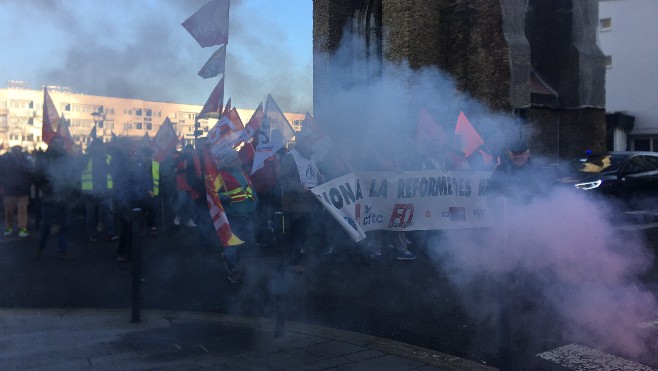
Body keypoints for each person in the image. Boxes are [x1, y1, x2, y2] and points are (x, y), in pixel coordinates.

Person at [33, 136, 80, 260]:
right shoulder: (44, 158)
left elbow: (75, 176)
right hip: (49, 197)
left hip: (65, 196)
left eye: (59, 143)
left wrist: (73, 191)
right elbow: (37, 177)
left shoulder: (69, 159)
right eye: (55, 143)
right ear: (51, 145)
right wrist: (45, 186)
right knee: (46, 225)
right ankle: (41, 247)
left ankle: (62, 251)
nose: (57, 146)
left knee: (65, 225)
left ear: (62, 145)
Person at [217, 148, 259, 283]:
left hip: (247, 215)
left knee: (249, 242)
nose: (239, 161)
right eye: (235, 159)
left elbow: (250, 188)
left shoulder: (241, 172)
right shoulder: (220, 176)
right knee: (232, 246)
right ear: (229, 162)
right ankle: (233, 270)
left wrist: (256, 202)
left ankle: (237, 263)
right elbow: (213, 195)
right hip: (233, 217)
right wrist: (224, 197)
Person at [80, 140, 117, 242]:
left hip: (106, 191)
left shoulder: (109, 158)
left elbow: (114, 173)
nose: (100, 149)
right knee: (91, 215)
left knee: (108, 214)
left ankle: (109, 233)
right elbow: (78, 171)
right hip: (90, 192)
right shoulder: (86, 159)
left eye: (101, 146)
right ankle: (92, 234)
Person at [0, 146, 33, 238]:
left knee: (22, 210)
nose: (17, 152)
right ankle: (9, 227)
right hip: (10, 189)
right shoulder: (5, 159)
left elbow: (30, 172)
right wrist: (5, 183)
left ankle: (22, 228)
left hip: (22, 190)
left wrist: (27, 184)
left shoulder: (26, 159)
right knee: (9, 211)